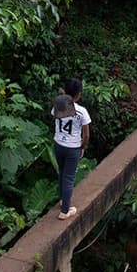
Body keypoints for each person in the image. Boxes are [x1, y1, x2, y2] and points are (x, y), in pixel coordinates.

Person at [51, 78, 91, 220]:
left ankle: (63, 199)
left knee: (62, 173)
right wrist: (83, 146)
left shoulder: (59, 105)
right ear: (78, 94)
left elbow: (54, 116)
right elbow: (86, 134)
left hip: (58, 144)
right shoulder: (82, 111)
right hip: (72, 147)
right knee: (69, 177)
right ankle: (65, 210)